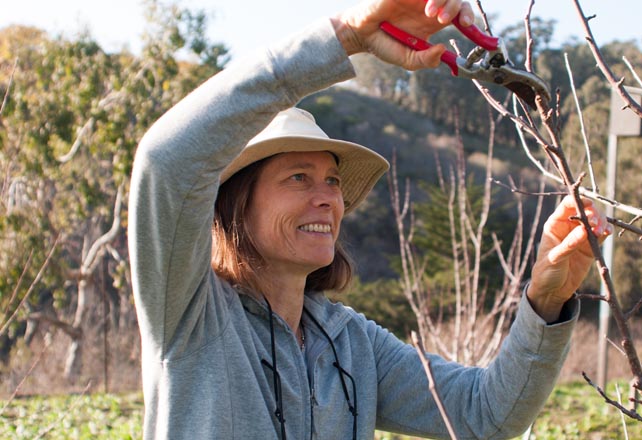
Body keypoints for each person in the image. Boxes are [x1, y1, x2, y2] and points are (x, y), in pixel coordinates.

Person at [128, 0, 611, 438]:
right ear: (236, 204)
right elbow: (165, 161)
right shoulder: (189, 313)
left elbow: (484, 413)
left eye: (333, 182)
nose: (327, 199)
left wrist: (546, 300)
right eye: (298, 177)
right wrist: (344, 37)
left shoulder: (351, 342)